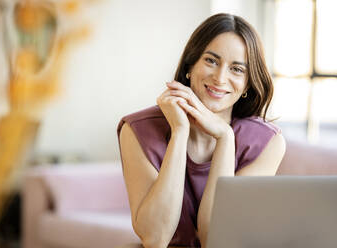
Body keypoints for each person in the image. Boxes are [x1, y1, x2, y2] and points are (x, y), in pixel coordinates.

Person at [117, 13, 286, 248]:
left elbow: (215, 240)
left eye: (237, 69)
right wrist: (179, 131)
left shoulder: (267, 143)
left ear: (247, 83)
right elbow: (155, 238)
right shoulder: (138, 130)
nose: (220, 78)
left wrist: (225, 137)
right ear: (190, 64)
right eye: (211, 61)